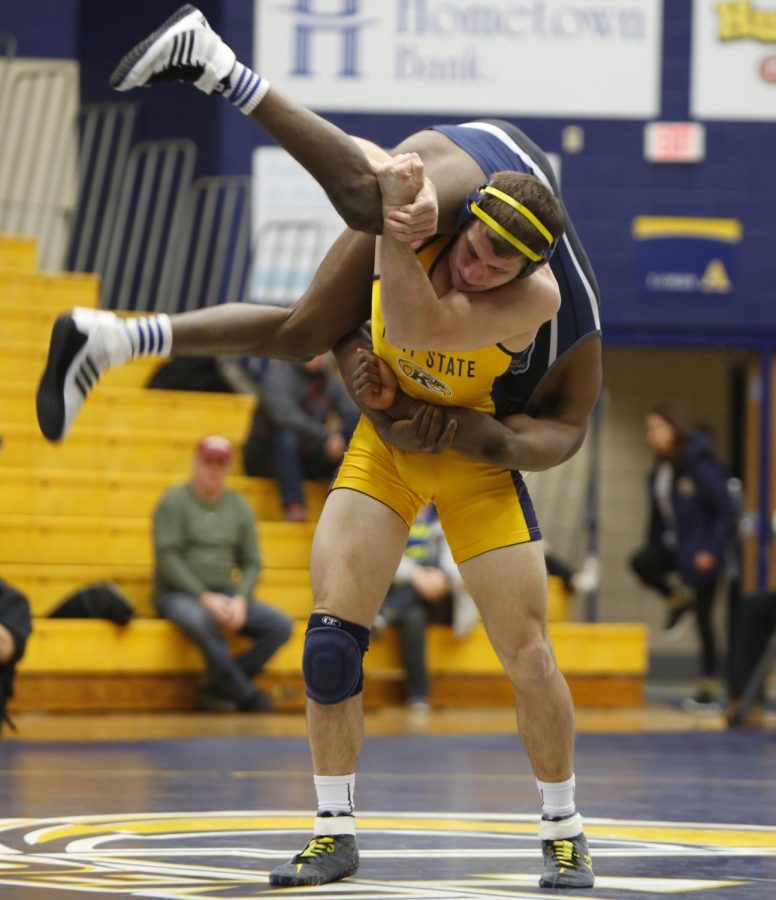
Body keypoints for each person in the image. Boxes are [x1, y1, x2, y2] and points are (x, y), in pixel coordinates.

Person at [34, 6, 602, 890]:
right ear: (471, 224)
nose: (476, 268)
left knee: (527, 652)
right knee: (330, 645)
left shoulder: (547, 303)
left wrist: (490, 435)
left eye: (498, 266)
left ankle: (564, 831)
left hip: (475, 460)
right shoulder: (439, 222)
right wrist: (365, 382)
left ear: (528, 277)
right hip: (411, 385)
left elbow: (552, 418)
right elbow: (359, 331)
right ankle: (333, 831)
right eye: (475, 249)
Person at [153, 434, 292, 712]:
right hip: (178, 594)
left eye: (221, 463)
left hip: (226, 592)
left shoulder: (239, 506)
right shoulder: (173, 501)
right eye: (209, 462)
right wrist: (203, 596)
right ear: (196, 462)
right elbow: (167, 558)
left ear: (228, 468)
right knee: (200, 620)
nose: (214, 469)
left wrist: (240, 598)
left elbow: (252, 561)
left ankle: (218, 687)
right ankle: (248, 696)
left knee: (280, 626)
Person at [629, 403, 735, 711]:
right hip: (679, 548)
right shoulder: (661, 470)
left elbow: (725, 510)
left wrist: (710, 550)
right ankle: (678, 600)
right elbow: (658, 519)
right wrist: (653, 547)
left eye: (657, 429)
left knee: (705, 617)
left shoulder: (698, 464)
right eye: (649, 430)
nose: (651, 436)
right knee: (642, 562)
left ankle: (709, 686)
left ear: (674, 429)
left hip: (704, 552)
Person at [242, 355, 358, 522]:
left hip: (305, 454)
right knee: (287, 436)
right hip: (266, 455)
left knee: (355, 422)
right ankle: (294, 506)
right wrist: (327, 437)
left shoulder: (328, 379)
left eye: (321, 350)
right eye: (311, 348)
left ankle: (348, 498)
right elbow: (284, 416)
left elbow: (351, 412)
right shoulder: (278, 374)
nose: (316, 355)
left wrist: (339, 438)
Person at [372, 503, 463, 710]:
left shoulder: (449, 514)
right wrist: (416, 575)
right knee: (414, 617)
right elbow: (381, 560)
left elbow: (461, 564)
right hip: (408, 597)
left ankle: (386, 615)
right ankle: (418, 696)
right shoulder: (393, 515)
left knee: (427, 576)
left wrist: (442, 578)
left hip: (444, 598)